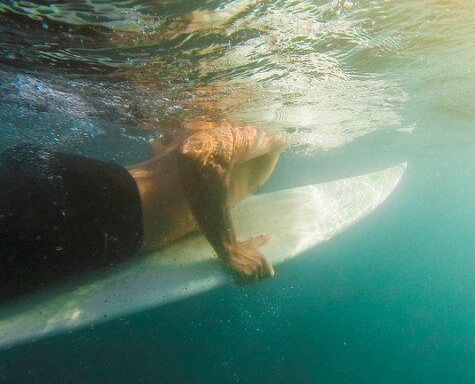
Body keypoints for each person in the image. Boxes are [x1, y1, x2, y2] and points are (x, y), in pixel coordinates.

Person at [0, 122, 287, 298]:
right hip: (98, 211)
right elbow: (199, 153)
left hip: (54, 180)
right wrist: (229, 248)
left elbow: (179, 166)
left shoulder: (191, 122)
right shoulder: (271, 134)